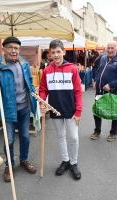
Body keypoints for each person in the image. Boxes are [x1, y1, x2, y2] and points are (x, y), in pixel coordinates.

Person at [0, 36, 37, 182]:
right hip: (8, 109)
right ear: (4, 49)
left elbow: (29, 85)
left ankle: (24, 160)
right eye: (10, 48)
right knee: (9, 140)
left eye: (16, 48)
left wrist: (35, 100)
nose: (14, 51)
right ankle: (9, 165)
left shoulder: (24, 64)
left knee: (25, 137)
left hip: (24, 107)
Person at [39, 39, 83, 180]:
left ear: (64, 52)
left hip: (71, 110)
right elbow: (43, 90)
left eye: (58, 52)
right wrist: (42, 102)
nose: (56, 55)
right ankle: (65, 161)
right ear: (50, 54)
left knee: (74, 138)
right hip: (55, 108)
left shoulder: (72, 69)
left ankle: (74, 163)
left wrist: (78, 112)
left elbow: (77, 91)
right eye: (53, 52)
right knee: (60, 136)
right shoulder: (46, 71)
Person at [90, 41, 117, 142]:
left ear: (116, 49)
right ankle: (97, 130)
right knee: (97, 110)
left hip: (112, 91)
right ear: (106, 48)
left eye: (112, 48)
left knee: (114, 112)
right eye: (108, 48)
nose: (110, 50)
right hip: (99, 90)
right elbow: (99, 71)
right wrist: (96, 81)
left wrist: (111, 85)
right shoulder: (103, 58)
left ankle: (113, 132)